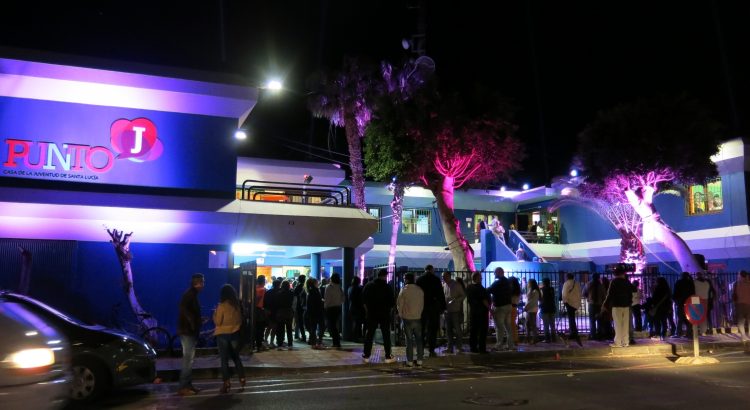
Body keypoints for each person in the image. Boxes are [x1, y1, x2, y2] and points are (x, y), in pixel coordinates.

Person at [213, 284, 246, 393]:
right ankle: (242, 379)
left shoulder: (221, 306)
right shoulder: (237, 306)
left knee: (224, 360)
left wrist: (214, 313)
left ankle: (226, 383)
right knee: (236, 357)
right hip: (235, 334)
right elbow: (240, 321)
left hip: (223, 335)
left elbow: (218, 322)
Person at [177, 273, 204, 396]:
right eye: (202, 282)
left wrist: (198, 320)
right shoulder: (190, 295)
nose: (203, 285)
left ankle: (188, 385)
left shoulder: (192, 294)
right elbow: (183, 308)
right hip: (188, 332)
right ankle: (183, 387)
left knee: (190, 360)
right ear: (196, 283)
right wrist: (192, 322)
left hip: (189, 331)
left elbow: (189, 311)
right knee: (187, 360)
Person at [362, 269, 395, 363]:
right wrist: (389, 312)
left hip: (372, 313)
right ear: (385, 276)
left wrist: (368, 311)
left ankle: (366, 355)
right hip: (384, 314)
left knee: (369, 334)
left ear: (377, 275)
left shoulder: (369, 285)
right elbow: (392, 303)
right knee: (386, 335)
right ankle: (388, 356)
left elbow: (363, 301)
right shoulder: (388, 287)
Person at [416, 264, 446, 357]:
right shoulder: (436, 279)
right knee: (432, 328)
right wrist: (443, 307)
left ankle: (420, 349)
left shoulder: (419, 279)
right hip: (433, 306)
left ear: (425, 270)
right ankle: (431, 349)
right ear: (432, 270)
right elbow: (440, 294)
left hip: (422, 306)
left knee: (421, 328)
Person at [397, 272, 425, 367]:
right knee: (419, 340)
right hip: (417, 318)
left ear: (407, 279)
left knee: (409, 341)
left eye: (404, 278)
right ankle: (420, 360)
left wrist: (401, 315)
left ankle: (409, 361)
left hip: (407, 318)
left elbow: (399, 304)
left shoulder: (404, 290)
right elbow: (422, 304)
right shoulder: (420, 290)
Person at [602, 266, 632, 348]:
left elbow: (610, 294)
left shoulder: (614, 281)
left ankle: (618, 342)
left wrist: (605, 304)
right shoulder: (627, 282)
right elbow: (631, 292)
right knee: (625, 324)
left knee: (618, 324)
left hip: (617, 305)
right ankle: (625, 341)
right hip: (626, 305)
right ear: (623, 273)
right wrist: (629, 302)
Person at [488, 267, 514, 350]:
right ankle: (510, 345)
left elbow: (489, 290)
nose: (494, 274)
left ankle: (499, 345)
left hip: (500, 306)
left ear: (499, 272)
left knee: (499, 327)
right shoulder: (508, 282)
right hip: (508, 305)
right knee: (508, 327)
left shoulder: (498, 282)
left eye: (495, 272)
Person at [466, 272, 490, 353]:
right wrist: (490, 309)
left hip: (473, 311)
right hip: (482, 312)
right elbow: (484, 300)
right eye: (480, 277)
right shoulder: (480, 288)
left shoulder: (469, 287)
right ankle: (482, 348)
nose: (481, 279)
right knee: (482, 331)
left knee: (473, 330)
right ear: (477, 278)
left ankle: (473, 347)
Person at [442, 271, 466, 354]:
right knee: (448, 330)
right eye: (443, 276)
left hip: (455, 310)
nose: (443, 278)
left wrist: (455, 300)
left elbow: (463, 295)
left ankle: (459, 347)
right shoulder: (445, 285)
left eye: (444, 276)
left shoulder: (456, 285)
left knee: (457, 329)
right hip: (447, 310)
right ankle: (450, 347)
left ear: (449, 276)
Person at [561, 273, 582, 346]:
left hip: (569, 303)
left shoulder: (566, 283)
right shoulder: (577, 283)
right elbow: (580, 293)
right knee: (572, 317)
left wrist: (564, 302)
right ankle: (573, 331)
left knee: (571, 318)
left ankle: (573, 332)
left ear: (567, 277)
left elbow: (564, 294)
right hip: (575, 303)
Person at [324, 273, 344, 348]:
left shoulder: (329, 287)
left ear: (331, 279)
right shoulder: (340, 287)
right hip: (338, 308)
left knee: (331, 326)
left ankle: (336, 342)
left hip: (330, 308)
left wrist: (325, 306)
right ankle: (336, 342)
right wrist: (338, 302)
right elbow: (343, 299)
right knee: (335, 325)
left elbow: (327, 299)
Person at [583, 273, 605, 340]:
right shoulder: (601, 285)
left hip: (592, 305)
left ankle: (593, 335)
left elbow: (583, 293)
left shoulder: (588, 284)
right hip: (599, 305)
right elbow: (604, 295)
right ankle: (600, 335)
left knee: (592, 321)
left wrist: (588, 298)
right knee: (600, 320)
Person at [672, 272, 695, 338]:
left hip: (681, 302)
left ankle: (679, 332)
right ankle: (689, 332)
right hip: (689, 302)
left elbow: (675, 292)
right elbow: (693, 293)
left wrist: (675, 300)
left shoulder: (679, 282)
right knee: (689, 318)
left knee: (680, 318)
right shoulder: (690, 283)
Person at [304, 278, 325, 349]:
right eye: (317, 282)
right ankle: (318, 342)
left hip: (311, 312)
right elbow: (318, 302)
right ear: (314, 283)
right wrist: (322, 302)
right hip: (318, 312)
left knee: (313, 327)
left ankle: (313, 342)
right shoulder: (315, 291)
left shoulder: (309, 291)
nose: (318, 283)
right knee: (321, 326)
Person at [274, 280, 295, 350]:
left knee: (280, 328)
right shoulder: (291, 293)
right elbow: (293, 303)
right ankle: (290, 344)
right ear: (288, 286)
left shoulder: (279, 294)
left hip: (281, 311)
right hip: (289, 311)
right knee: (289, 328)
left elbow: (276, 303)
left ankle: (280, 344)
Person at [732, 270, 750, 342]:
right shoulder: (749, 283)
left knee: (741, 321)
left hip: (739, 305)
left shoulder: (736, 284)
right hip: (748, 304)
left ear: (740, 275)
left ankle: (743, 336)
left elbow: (734, 295)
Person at [540, 277, 557, 343]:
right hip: (552, 308)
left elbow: (541, 299)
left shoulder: (542, 290)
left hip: (544, 308)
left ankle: (547, 338)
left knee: (546, 325)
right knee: (552, 324)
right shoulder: (552, 289)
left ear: (543, 283)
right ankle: (554, 338)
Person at [524, 279, 541, 344]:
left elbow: (532, 301)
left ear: (531, 284)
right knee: (528, 324)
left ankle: (534, 338)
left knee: (531, 324)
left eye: (529, 283)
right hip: (531, 309)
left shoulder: (534, 291)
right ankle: (528, 338)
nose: (528, 284)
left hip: (531, 309)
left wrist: (526, 307)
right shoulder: (532, 291)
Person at [348, 276, 365, 342]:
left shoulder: (349, 288)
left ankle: (355, 336)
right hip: (358, 308)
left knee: (355, 323)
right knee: (357, 323)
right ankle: (356, 337)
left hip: (351, 307)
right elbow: (360, 299)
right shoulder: (359, 289)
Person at [254, 275, 268, 352]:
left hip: (255, 310)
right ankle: (259, 345)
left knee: (256, 328)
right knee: (260, 328)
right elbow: (258, 300)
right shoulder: (262, 290)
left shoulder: (255, 288)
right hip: (260, 310)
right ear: (263, 281)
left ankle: (256, 344)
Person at [293, 275, 307, 342]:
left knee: (298, 321)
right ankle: (303, 336)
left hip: (299, 306)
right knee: (301, 322)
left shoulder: (297, 287)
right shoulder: (303, 287)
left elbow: (295, 298)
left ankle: (298, 335)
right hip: (302, 306)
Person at [509, 276, 522, 345]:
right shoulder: (517, 291)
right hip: (514, 307)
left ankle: (514, 340)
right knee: (513, 324)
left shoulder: (512, 291)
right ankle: (515, 339)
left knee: (511, 324)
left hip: (511, 307)